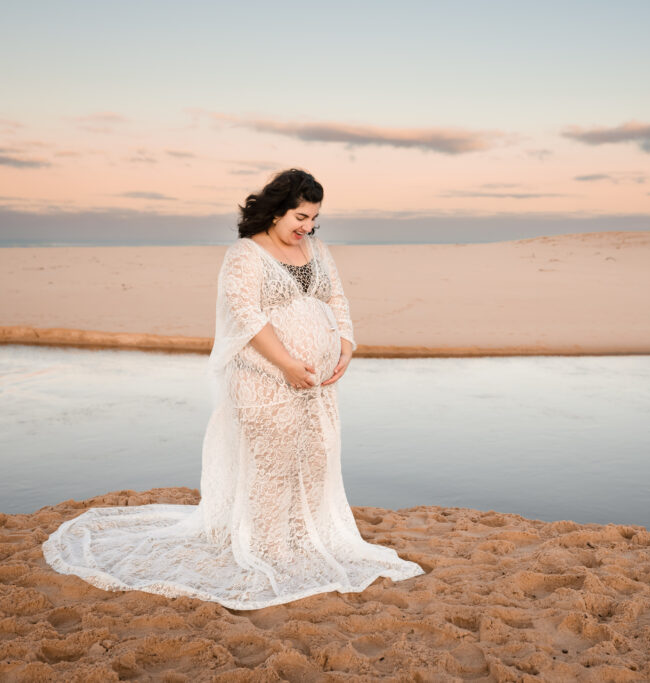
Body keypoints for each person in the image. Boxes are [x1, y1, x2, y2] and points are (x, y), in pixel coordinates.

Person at [43, 169, 425, 610]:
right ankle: (268, 552)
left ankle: (302, 542)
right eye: (300, 217)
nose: (307, 227)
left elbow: (336, 298)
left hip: (315, 383)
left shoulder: (317, 250)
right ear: (277, 211)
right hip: (261, 377)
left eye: (314, 219)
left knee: (314, 458)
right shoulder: (245, 254)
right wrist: (286, 363)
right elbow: (246, 315)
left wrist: (345, 345)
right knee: (272, 464)